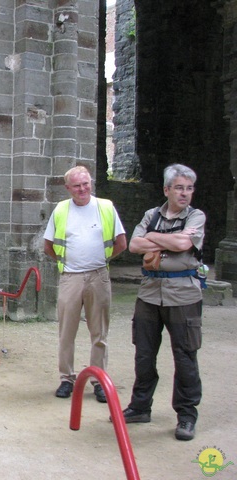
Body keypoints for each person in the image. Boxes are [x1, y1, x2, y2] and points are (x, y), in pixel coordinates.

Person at [122, 164, 206, 441]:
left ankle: (186, 416)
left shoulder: (196, 216)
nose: (185, 193)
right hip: (149, 294)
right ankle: (139, 407)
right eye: (179, 188)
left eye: (189, 188)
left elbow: (184, 245)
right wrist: (169, 240)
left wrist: (153, 238)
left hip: (183, 296)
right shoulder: (151, 215)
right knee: (144, 354)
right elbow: (133, 245)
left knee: (184, 355)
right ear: (166, 190)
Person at [43, 166, 127, 403]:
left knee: (99, 332)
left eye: (86, 184)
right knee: (66, 332)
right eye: (77, 185)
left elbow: (121, 242)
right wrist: (65, 262)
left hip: (98, 276)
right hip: (71, 277)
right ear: (68, 188)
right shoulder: (61, 210)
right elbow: (48, 245)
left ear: (91, 183)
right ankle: (66, 379)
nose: (82, 189)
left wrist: (102, 260)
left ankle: (99, 380)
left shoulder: (106, 207)